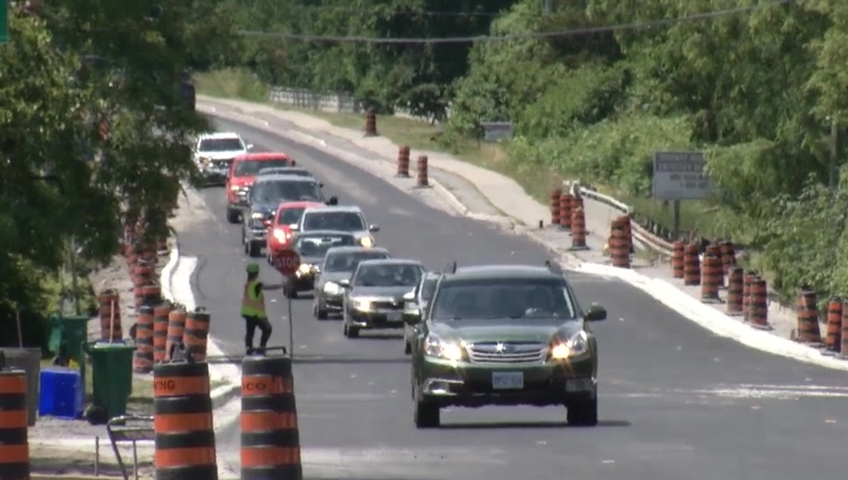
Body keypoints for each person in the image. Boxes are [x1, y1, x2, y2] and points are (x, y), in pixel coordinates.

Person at [242, 263, 283, 354]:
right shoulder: (256, 284)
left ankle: (249, 349)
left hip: (248, 313)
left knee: (250, 333)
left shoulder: (248, 284)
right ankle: (261, 348)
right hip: (256, 314)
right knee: (267, 329)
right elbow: (270, 287)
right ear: (257, 273)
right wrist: (280, 285)